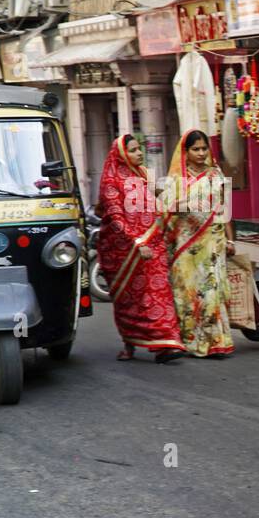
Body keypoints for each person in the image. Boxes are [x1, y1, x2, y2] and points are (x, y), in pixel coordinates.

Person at [96, 135, 186, 363]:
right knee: (130, 300)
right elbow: (115, 218)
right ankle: (130, 344)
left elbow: (158, 198)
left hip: (153, 244)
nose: (139, 153)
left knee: (159, 295)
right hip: (123, 250)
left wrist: (176, 203)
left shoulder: (144, 173)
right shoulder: (111, 180)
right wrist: (136, 242)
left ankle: (165, 344)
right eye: (134, 150)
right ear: (122, 154)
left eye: (139, 149)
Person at [161, 130, 236, 359]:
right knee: (186, 293)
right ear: (186, 151)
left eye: (204, 148)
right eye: (196, 149)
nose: (201, 153)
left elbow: (224, 208)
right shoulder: (176, 179)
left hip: (212, 243)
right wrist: (181, 204)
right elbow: (165, 211)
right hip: (184, 245)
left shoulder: (216, 174)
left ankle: (215, 341)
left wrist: (231, 239)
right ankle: (189, 340)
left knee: (211, 292)